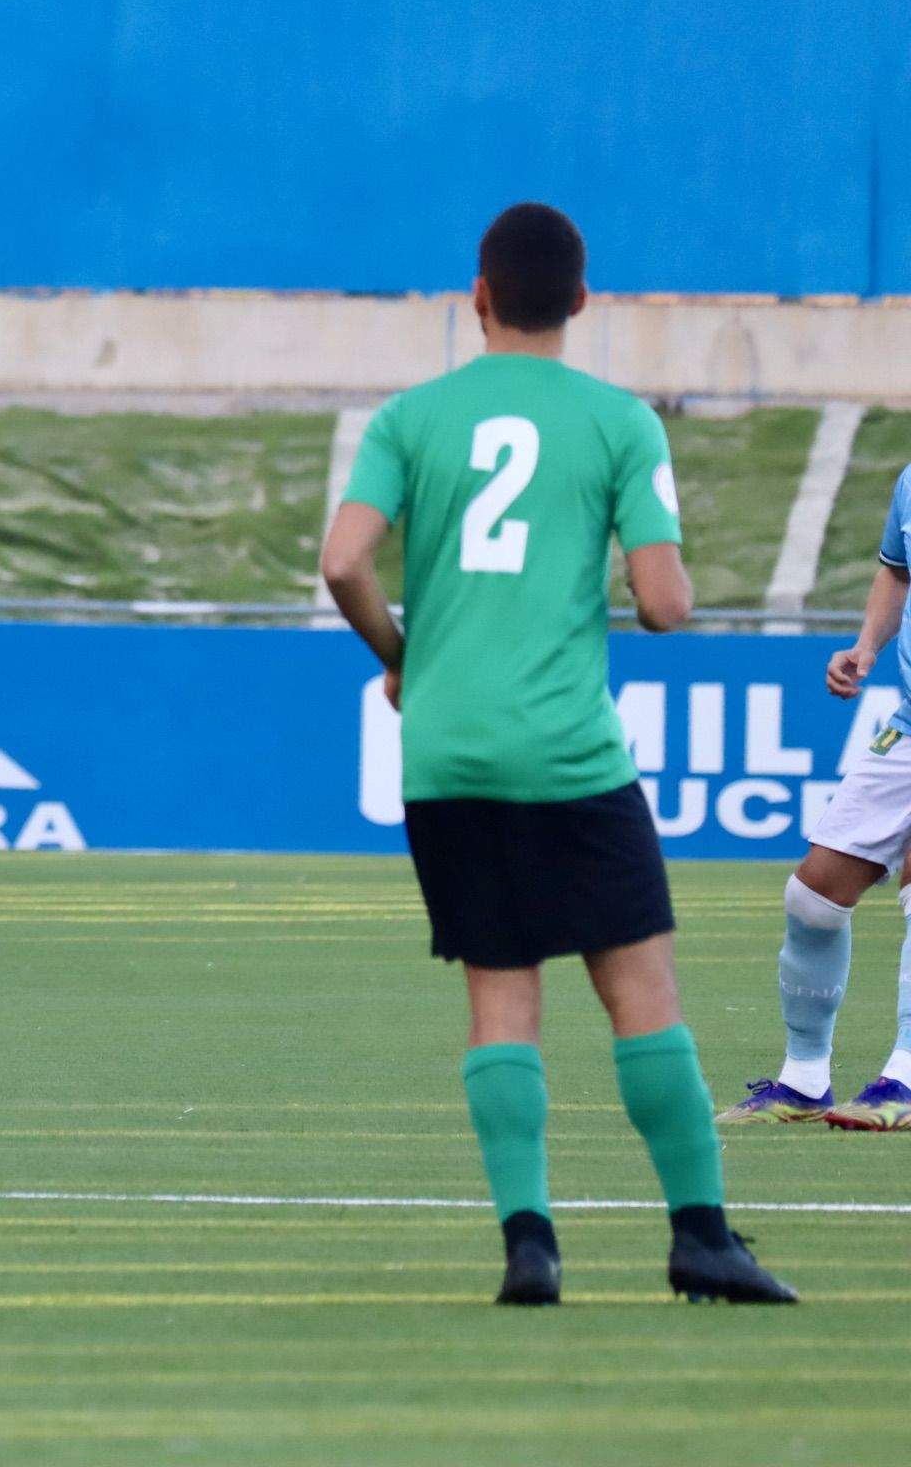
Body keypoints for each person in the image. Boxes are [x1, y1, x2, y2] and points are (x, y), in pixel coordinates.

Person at [320, 202, 795, 1306]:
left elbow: (345, 559)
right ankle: (701, 1237)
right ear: (581, 301)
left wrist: (406, 655)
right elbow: (668, 606)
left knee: (501, 999)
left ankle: (529, 1245)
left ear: (477, 296)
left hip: (445, 757)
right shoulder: (621, 421)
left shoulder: (411, 416)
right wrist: (638, 572)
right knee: (641, 991)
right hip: (570, 751)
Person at [718, 480, 911, 1131]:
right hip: (907, 727)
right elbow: (896, 573)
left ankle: (906, 1078)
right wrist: (866, 647)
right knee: (814, 897)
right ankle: (804, 1079)